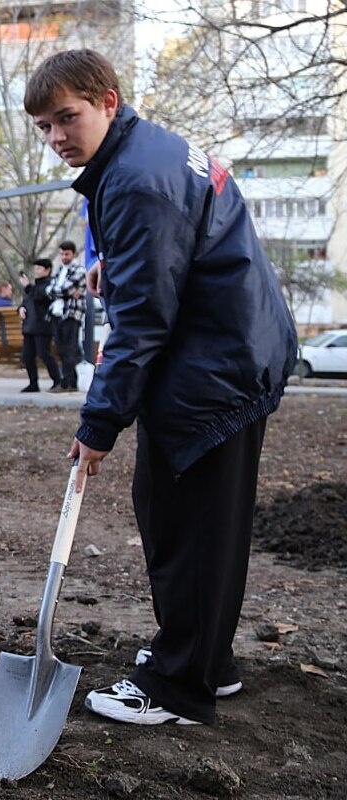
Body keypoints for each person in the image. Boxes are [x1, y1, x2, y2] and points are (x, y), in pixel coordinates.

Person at [25, 49, 296, 726]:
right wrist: (115, 269)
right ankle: (208, 663)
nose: (58, 137)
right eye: (44, 127)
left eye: (67, 117)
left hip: (215, 364)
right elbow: (177, 251)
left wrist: (98, 425)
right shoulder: (151, 151)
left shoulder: (136, 181)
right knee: (204, 521)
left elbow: (142, 324)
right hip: (230, 345)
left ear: (107, 101)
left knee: (187, 524)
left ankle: (178, 688)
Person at [46, 240, 87, 392]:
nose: (64, 257)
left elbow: (64, 288)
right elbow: (50, 290)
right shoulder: (60, 270)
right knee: (62, 349)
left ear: (74, 254)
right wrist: (64, 292)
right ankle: (70, 381)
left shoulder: (80, 270)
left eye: (67, 254)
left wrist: (62, 291)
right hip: (57, 313)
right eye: (62, 254)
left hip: (71, 313)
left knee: (69, 349)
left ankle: (67, 382)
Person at [17, 259, 62, 393]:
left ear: (47, 270)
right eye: (35, 269)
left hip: (43, 326)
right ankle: (33, 382)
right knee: (27, 355)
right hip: (30, 325)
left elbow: (40, 297)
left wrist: (27, 286)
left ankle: (57, 380)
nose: (36, 271)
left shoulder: (49, 285)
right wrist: (21, 308)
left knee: (44, 353)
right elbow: (27, 300)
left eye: (39, 269)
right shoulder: (34, 287)